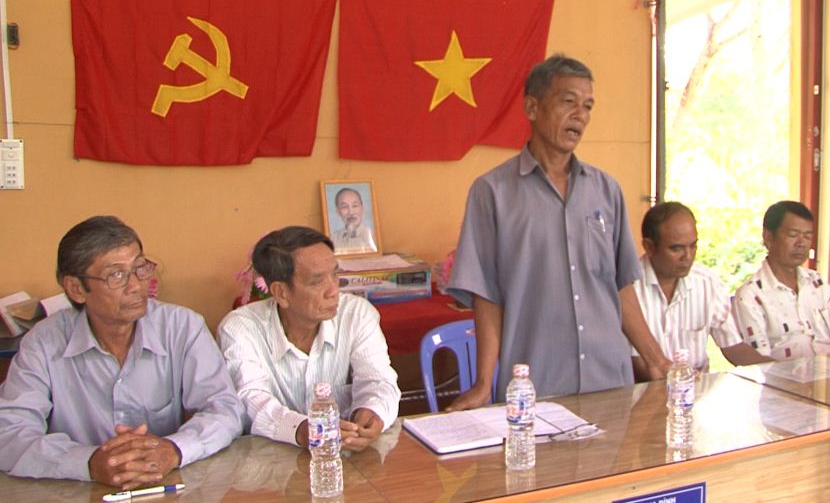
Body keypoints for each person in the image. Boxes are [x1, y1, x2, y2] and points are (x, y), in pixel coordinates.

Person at [446, 54, 670, 409]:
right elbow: (486, 294)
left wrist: (656, 360)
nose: (580, 115)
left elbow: (620, 286)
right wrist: (483, 383)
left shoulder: (606, 190)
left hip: (609, 381)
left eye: (588, 106)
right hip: (535, 387)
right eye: (568, 102)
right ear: (532, 108)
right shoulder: (492, 192)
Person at [0, 216, 243, 488]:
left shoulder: (183, 328)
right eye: (116, 275)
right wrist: (89, 462)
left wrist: (173, 450)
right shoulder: (43, 343)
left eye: (140, 268)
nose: (136, 285)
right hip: (78, 490)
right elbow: (9, 433)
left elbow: (225, 409)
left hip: (164, 485)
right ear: (76, 289)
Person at [218, 226, 399, 451]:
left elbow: (378, 380)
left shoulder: (356, 314)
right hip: (270, 461)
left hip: (344, 455)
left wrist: (373, 412)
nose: (333, 290)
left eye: (335, 274)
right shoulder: (240, 327)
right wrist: (302, 430)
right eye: (317, 281)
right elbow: (250, 398)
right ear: (281, 292)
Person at [633, 202, 770, 378]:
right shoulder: (627, 288)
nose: (688, 256)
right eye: (676, 249)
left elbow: (733, 346)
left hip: (696, 389)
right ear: (649, 247)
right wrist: (677, 378)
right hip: (642, 389)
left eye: (693, 246)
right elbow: (631, 362)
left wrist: (777, 371)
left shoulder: (707, 283)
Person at [732, 201, 830, 360]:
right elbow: (758, 362)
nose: (801, 243)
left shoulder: (817, 283)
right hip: (783, 374)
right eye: (793, 235)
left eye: (807, 236)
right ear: (768, 238)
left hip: (829, 370)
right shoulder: (750, 296)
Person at [331, 187, 376, 253]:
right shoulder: (333, 238)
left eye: (355, 206)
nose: (351, 212)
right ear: (338, 211)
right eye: (344, 207)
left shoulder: (373, 235)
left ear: (362, 208)